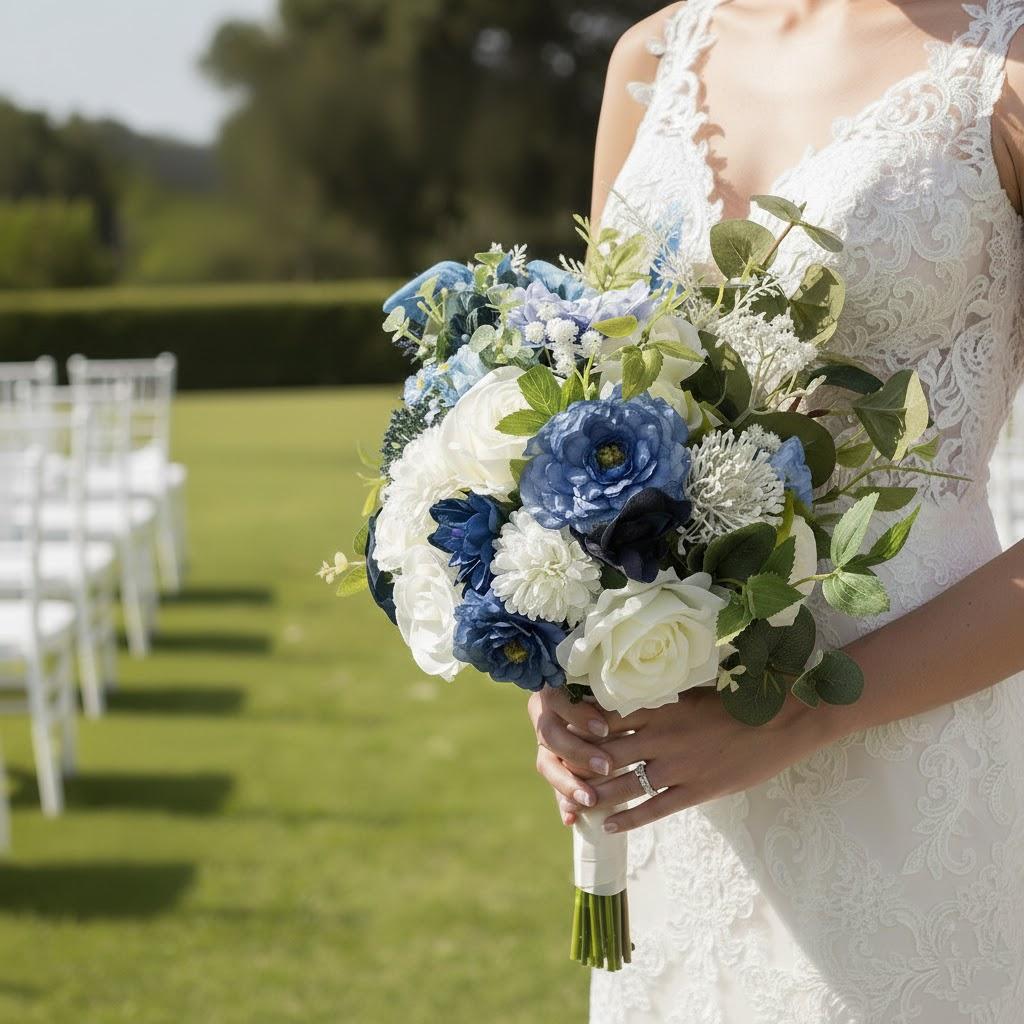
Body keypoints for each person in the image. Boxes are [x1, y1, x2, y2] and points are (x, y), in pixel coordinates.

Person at [528, 1, 1024, 1020]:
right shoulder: (652, 58)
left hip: (911, 751)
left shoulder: (1005, 67)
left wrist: (794, 714)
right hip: (671, 770)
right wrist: (554, 658)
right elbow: (593, 403)